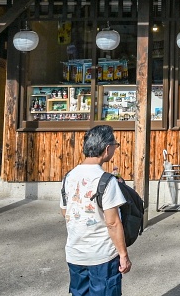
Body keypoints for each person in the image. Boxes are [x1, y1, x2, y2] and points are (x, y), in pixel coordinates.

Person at [61, 125, 130, 296]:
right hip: (102, 256)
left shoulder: (69, 176)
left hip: (75, 253)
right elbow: (113, 223)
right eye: (115, 144)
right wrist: (123, 254)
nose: (115, 148)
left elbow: (65, 211)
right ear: (107, 149)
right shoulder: (107, 180)